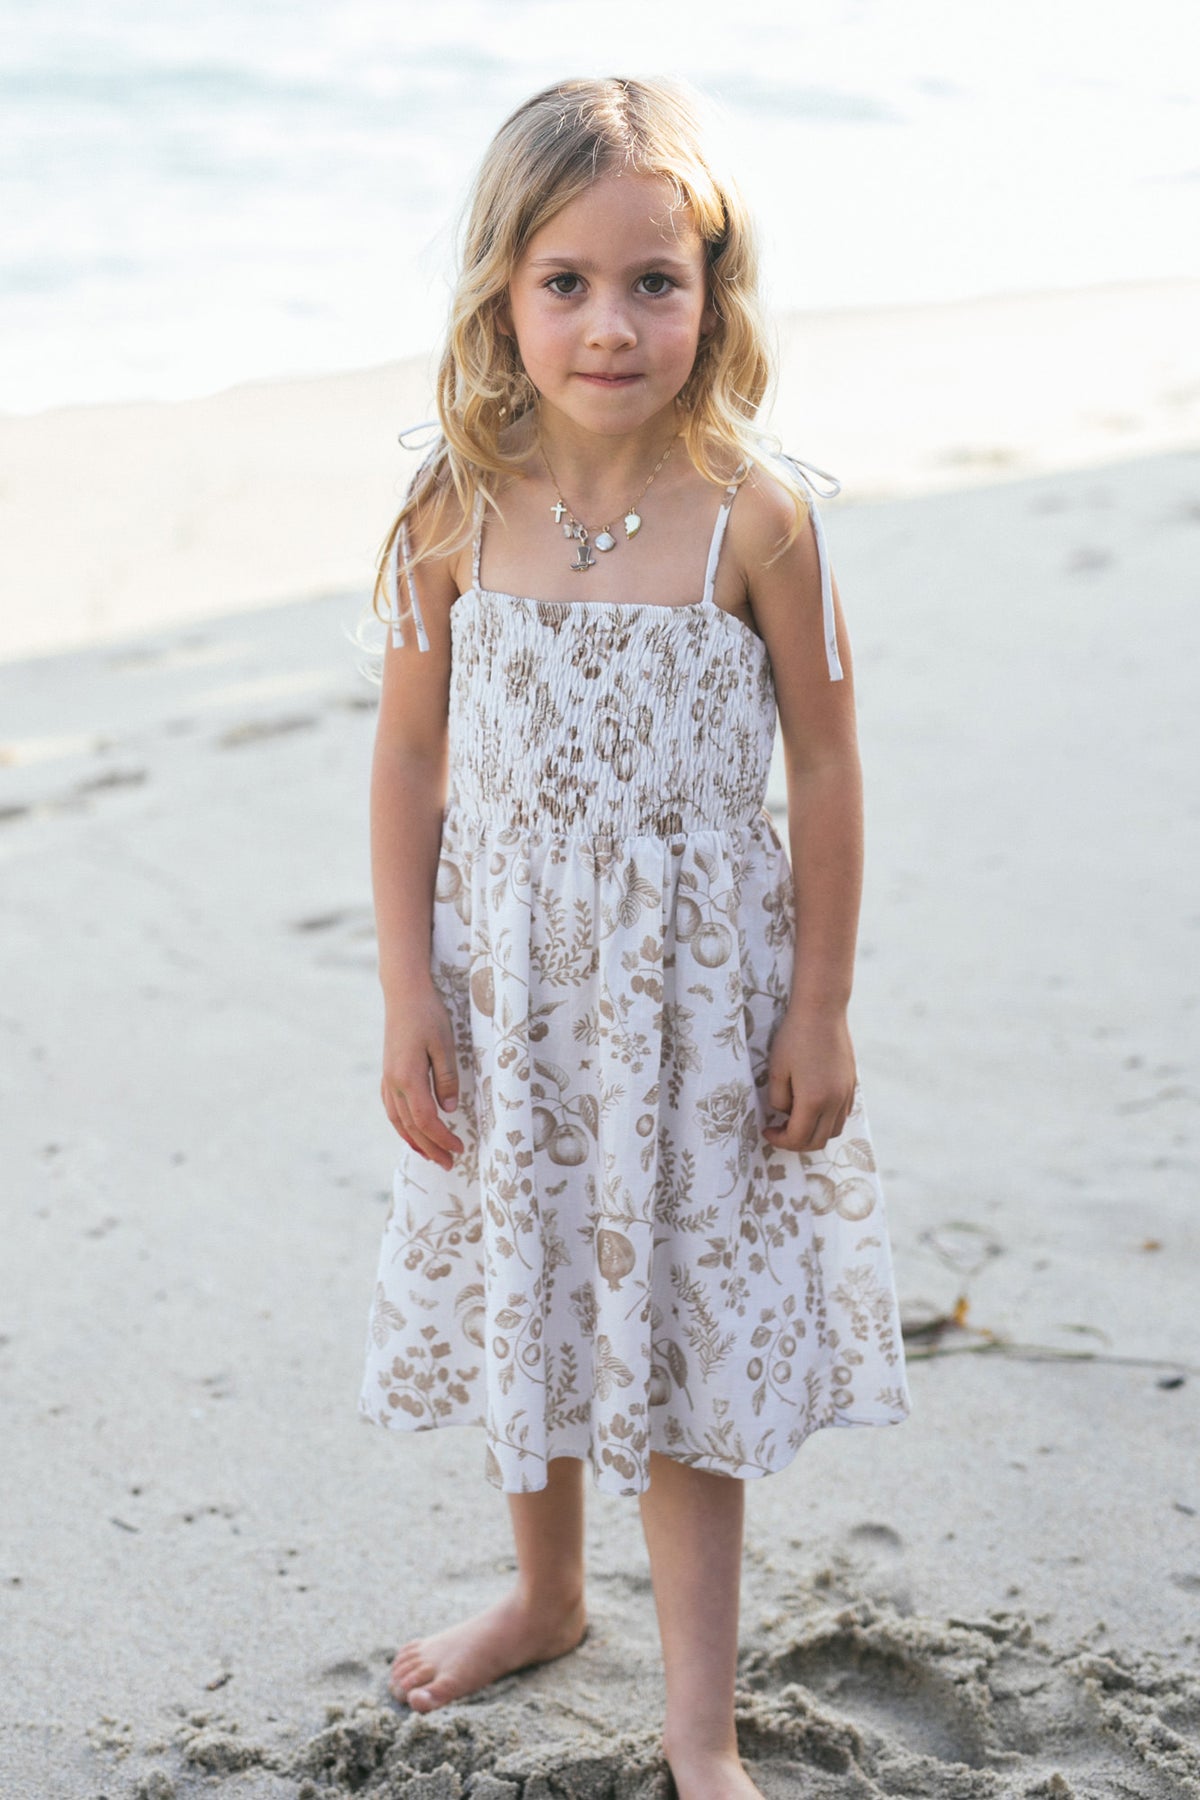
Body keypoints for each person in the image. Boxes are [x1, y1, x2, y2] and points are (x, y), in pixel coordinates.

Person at [359, 75, 910, 1800]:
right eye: (568, 282)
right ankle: (544, 1593)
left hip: (693, 1009)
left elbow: (826, 763)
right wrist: (407, 990)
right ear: (502, 294)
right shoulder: (454, 507)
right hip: (513, 992)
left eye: (654, 282)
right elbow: (408, 758)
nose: (612, 324)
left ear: (712, 293)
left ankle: (699, 1729)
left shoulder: (758, 517)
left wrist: (819, 1007)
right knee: (530, 1284)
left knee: (672, 1329)